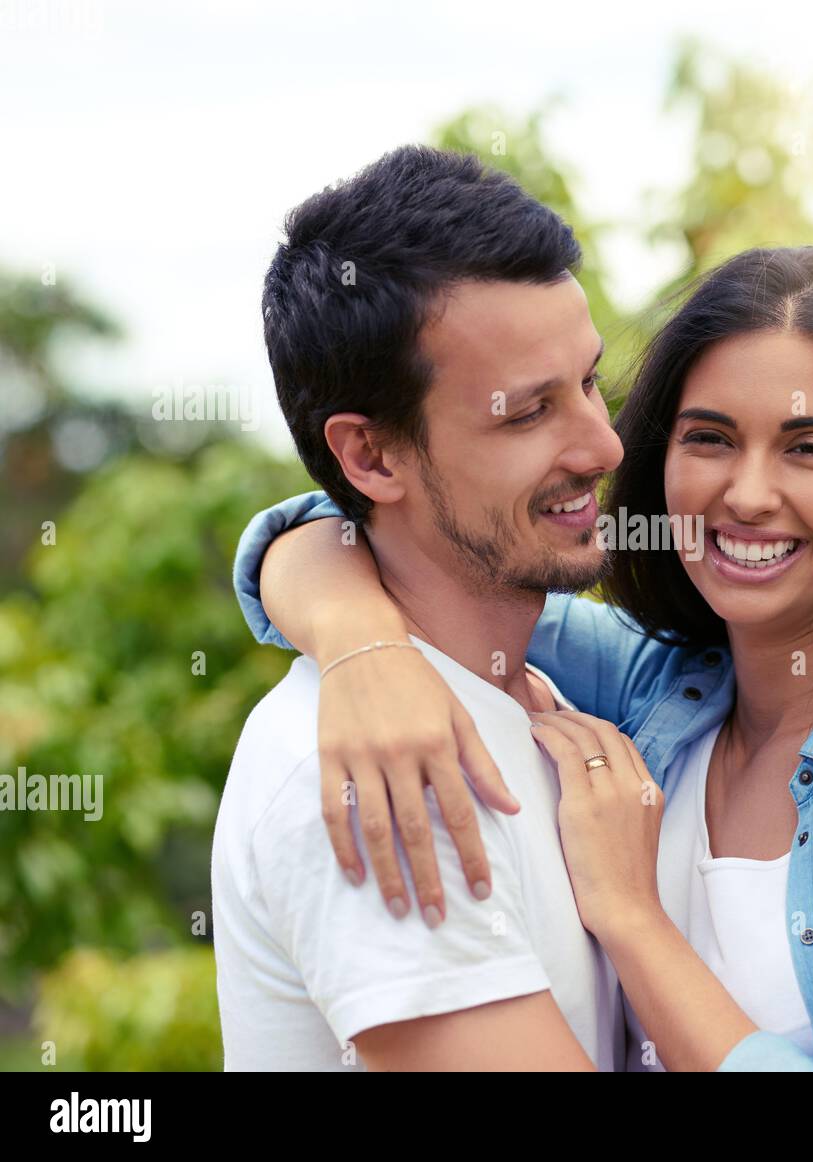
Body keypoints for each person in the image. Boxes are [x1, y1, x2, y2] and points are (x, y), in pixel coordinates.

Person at [233, 244, 813, 1070]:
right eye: (709, 438)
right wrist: (361, 646)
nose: (747, 495)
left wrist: (632, 915)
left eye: (809, 448)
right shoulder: (663, 687)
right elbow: (398, 532)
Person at [212, 143, 628, 1071]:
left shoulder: (547, 687)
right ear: (370, 458)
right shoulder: (374, 772)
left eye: (591, 382)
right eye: (527, 414)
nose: (603, 446)